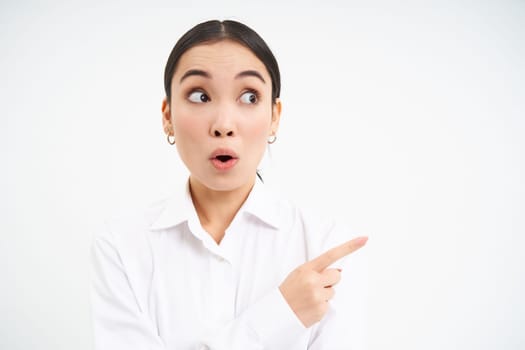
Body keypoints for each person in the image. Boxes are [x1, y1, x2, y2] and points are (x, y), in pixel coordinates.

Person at [90, 19, 368, 350]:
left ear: (274, 116)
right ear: (167, 115)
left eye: (249, 97)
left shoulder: (324, 247)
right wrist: (280, 315)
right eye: (199, 95)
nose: (223, 125)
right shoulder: (121, 248)